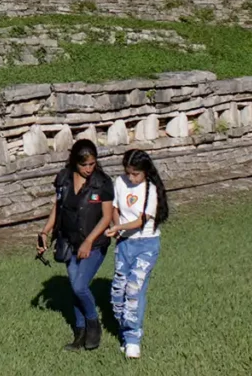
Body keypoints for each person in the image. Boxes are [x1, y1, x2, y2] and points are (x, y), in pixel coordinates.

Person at [37, 139, 115, 352]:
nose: (89, 169)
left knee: (80, 286)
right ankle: (79, 334)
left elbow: (107, 217)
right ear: (74, 162)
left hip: (95, 243)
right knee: (75, 289)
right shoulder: (63, 179)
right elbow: (58, 208)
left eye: (92, 164)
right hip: (68, 242)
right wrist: (45, 231)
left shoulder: (103, 183)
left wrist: (89, 241)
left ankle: (93, 324)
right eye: (84, 165)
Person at [105, 149, 170, 359]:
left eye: (136, 174)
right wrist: (117, 226)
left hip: (146, 244)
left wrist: (118, 228)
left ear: (145, 172)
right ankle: (124, 332)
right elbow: (115, 207)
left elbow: (142, 221)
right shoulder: (120, 182)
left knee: (134, 290)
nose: (131, 178)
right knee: (118, 292)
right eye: (129, 173)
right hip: (125, 244)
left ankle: (133, 339)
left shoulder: (151, 189)